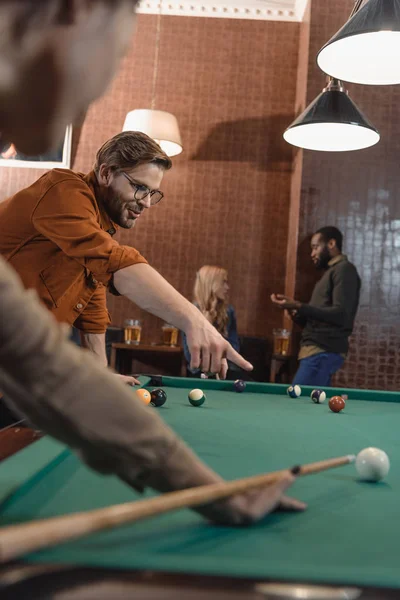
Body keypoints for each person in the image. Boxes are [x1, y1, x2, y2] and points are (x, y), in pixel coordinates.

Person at [0, 0, 305, 525]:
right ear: (70, 17)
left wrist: (211, 494)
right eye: (112, 59)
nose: (90, 94)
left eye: (152, 193)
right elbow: (113, 263)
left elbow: (59, 349)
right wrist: (192, 317)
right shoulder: (62, 189)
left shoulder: (89, 237)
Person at [271, 226, 361, 387]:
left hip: (323, 351)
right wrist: (296, 313)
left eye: (315, 247)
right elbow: (320, 321)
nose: (312, 254)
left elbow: (341, 315)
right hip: (317, 351)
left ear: (331, 243)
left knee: (297, 403)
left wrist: (299, 305)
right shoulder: (330, 273)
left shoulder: (344, 270)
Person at [183, 266, 243, 380]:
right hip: (199, 372)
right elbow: (190, 355)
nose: (227, 287)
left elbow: (234, 347)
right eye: (223, 282)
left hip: (228, 369)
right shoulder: (191, 311)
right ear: (211, 284)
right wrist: (206, 322)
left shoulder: (228, 311)